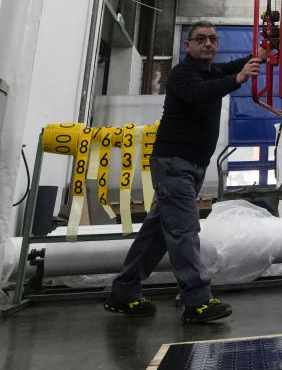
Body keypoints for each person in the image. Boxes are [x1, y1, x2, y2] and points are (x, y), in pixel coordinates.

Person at [104, 21, 263, 323]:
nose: (208, 44)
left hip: (190, 165)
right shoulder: (182, 74)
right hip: (174, 163)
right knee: (184, 231)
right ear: (187, 45)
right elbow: (201, 93)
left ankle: (123, 292)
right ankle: (197, 301)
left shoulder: (210, 71)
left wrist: (261, 56)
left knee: (157, 235)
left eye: (213, 39)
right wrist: (239, 78)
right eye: (201, 39)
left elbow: (231, 67)